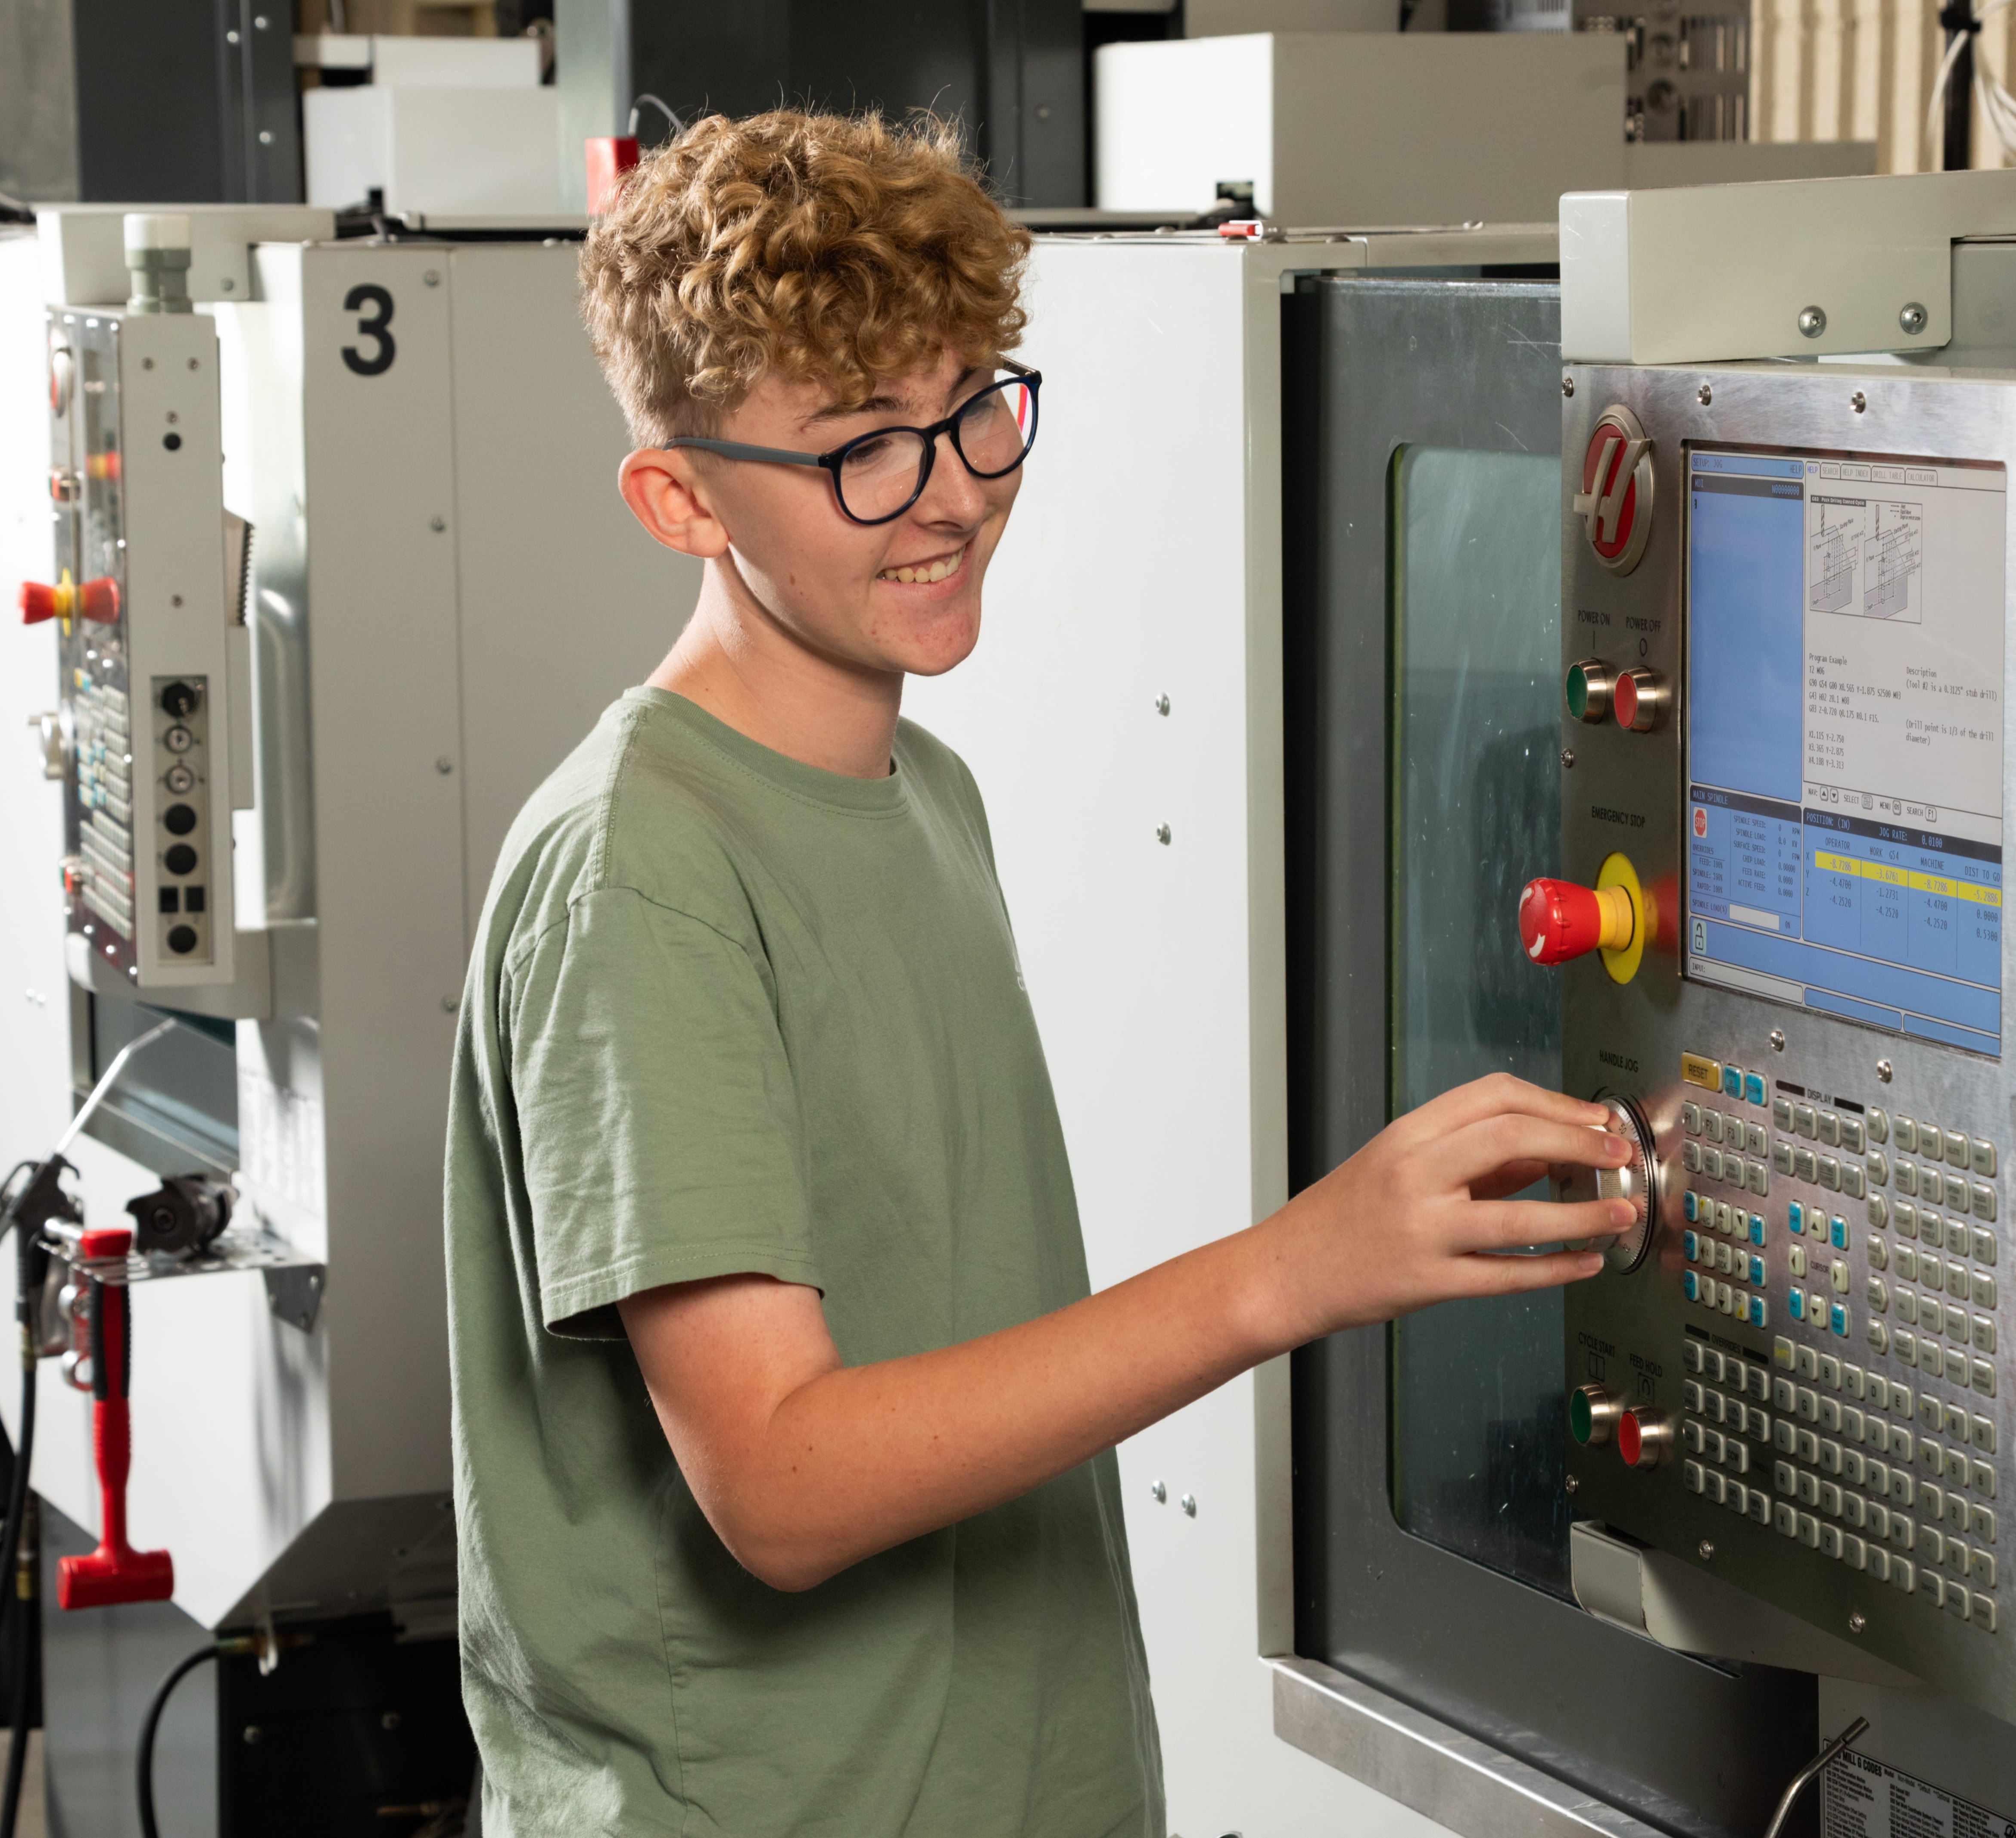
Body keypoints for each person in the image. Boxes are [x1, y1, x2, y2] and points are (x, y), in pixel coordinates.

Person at [441, 108, 1631, 1837]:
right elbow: (774, 1477)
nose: (950, 494)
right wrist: (1297, 1264)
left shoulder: (925, 792)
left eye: (973, 408)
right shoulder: (643, 861)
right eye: (863, 448)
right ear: (677, 495)